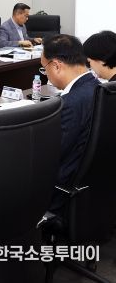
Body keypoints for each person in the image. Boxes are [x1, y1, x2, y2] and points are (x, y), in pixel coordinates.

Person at [42, 34, 101, 204]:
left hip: (62, 193)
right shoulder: (98, 88)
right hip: (94, 189)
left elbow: (51, 155)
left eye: (44, 68)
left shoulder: (69, 103)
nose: (45, 74)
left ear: (56, 66)